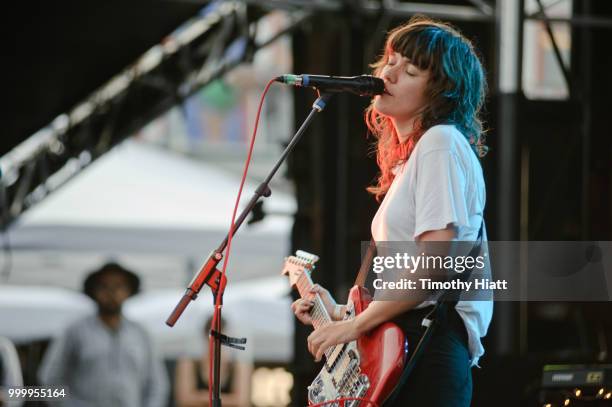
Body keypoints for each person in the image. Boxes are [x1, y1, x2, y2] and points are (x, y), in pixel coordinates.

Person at [291, 16, 492, 406]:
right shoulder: (415, 160)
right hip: (407, 343)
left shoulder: (440, 142)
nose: (390, 72)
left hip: (424, 351)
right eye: (391, 60)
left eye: (411, 69)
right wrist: (338, 314)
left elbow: (433, 267)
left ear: (440, 93)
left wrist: (353, 327)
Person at [39, 262, 169, 407]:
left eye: (119, 286)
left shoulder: (140, 334)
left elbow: (157, 384)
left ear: (129, 291)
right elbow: (51, 377)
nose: (111, 293)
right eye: (104, 286)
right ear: (93, 291)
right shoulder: (75, 331)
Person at [174, 316, 252, 407]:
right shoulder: (189, 363)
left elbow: (241, 401)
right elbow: (184, 399)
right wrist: (227, 399)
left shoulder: (239, 366)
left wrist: (200, 396)